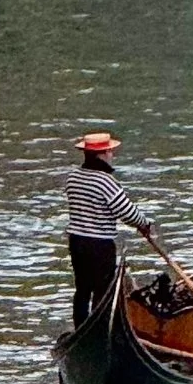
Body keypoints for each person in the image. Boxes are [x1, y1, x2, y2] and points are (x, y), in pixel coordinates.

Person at [65, 130, 151, 331]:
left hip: (77, 242)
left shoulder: (73, 178)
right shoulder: (106, 182)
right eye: (110, 152)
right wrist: (144, 224)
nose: (112, 155)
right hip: (100, 245)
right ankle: (98, 329)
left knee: (82, 289)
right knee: (102, 292)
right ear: (101, 155)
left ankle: (81, 328)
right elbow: (127, 212)